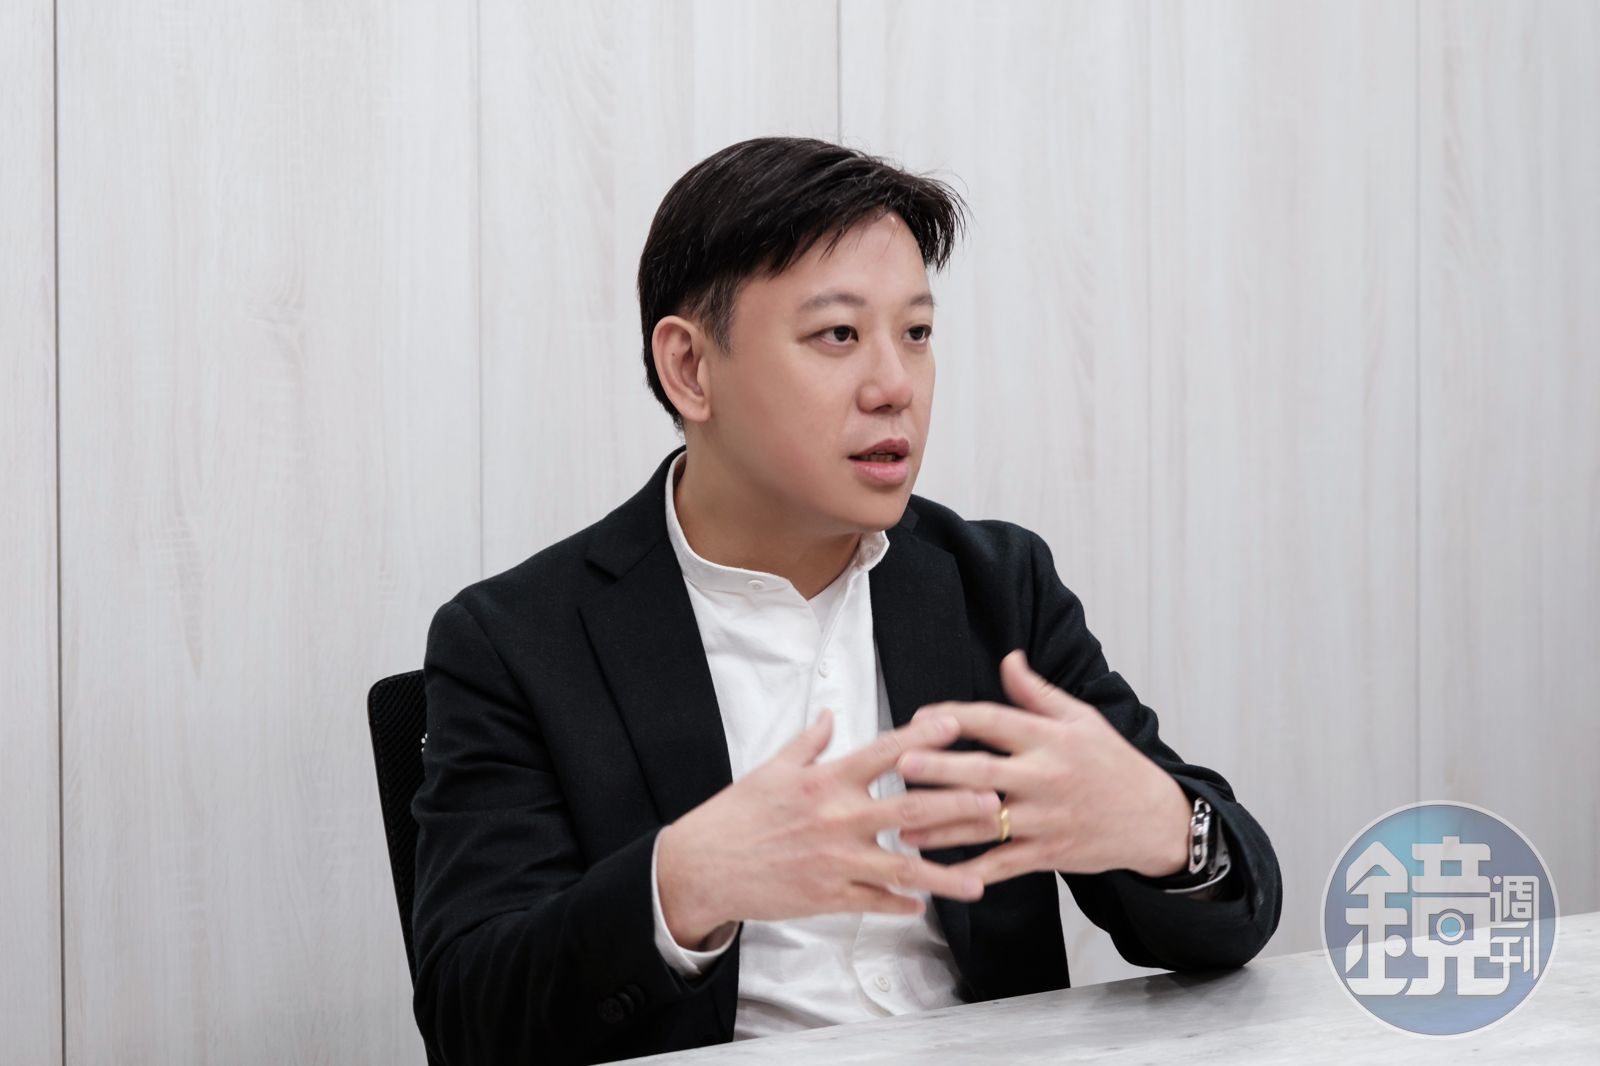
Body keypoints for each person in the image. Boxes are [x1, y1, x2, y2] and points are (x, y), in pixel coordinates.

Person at [410, 136, 1282, 1066]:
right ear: (690, 368)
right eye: (838, 335)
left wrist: (1164, 828)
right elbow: (472, 1018)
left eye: (916, 333)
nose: (894, 387)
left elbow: (1233, 918)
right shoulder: (517, 642)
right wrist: (686, 882)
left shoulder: (995, 586)